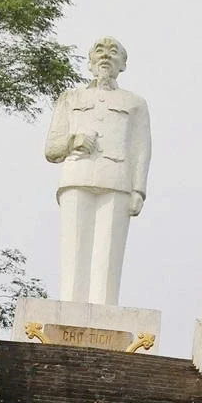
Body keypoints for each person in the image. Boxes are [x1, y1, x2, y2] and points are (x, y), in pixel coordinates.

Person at [44, 36, 151, 305]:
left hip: (117, 179)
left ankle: (104, 310)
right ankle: (69, 307)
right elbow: (51, 147)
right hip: (76, 175)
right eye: (99, 52)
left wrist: (139, 189)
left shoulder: (135, 103)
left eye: (113, 52)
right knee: (74, 248)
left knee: (108, 252)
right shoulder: (71, 98)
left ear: (123, 65)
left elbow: (141, 149)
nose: (106, 56)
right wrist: (74, 140)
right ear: (90, 62)